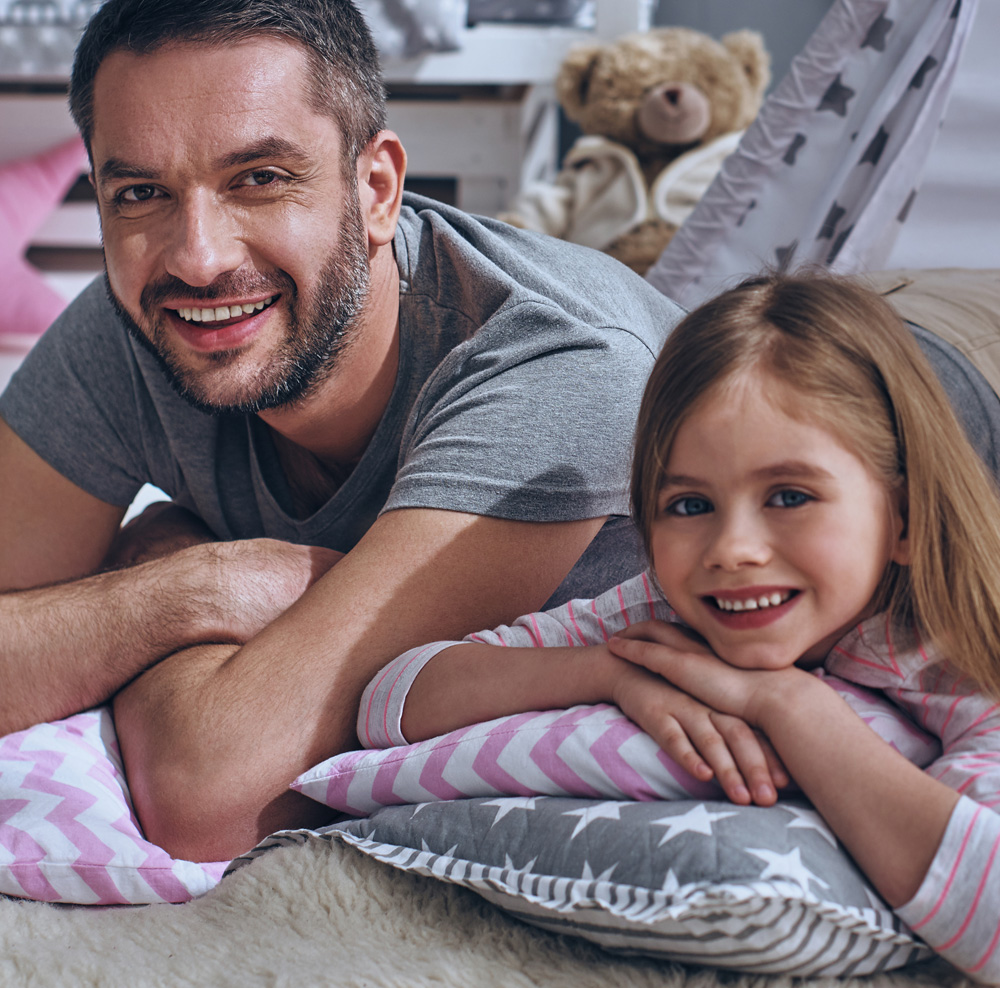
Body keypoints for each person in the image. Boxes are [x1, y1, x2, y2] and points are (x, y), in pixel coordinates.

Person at [0, 0, 682, 862]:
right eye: (141, 193)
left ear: (376, 190)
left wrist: (151, 543)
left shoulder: (555, 371)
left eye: (260, 179)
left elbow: (213, 793)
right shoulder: (135, 324)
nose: (197, 256)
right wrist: (193, 583)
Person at [359, 273, 1000, 981]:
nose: (732, 549)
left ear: (903, 521)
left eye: (789, 496)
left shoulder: (962, 647)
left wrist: (788, 705)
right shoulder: (659, 608)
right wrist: (609, 672)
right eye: (690, 505)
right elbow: (391, 700)